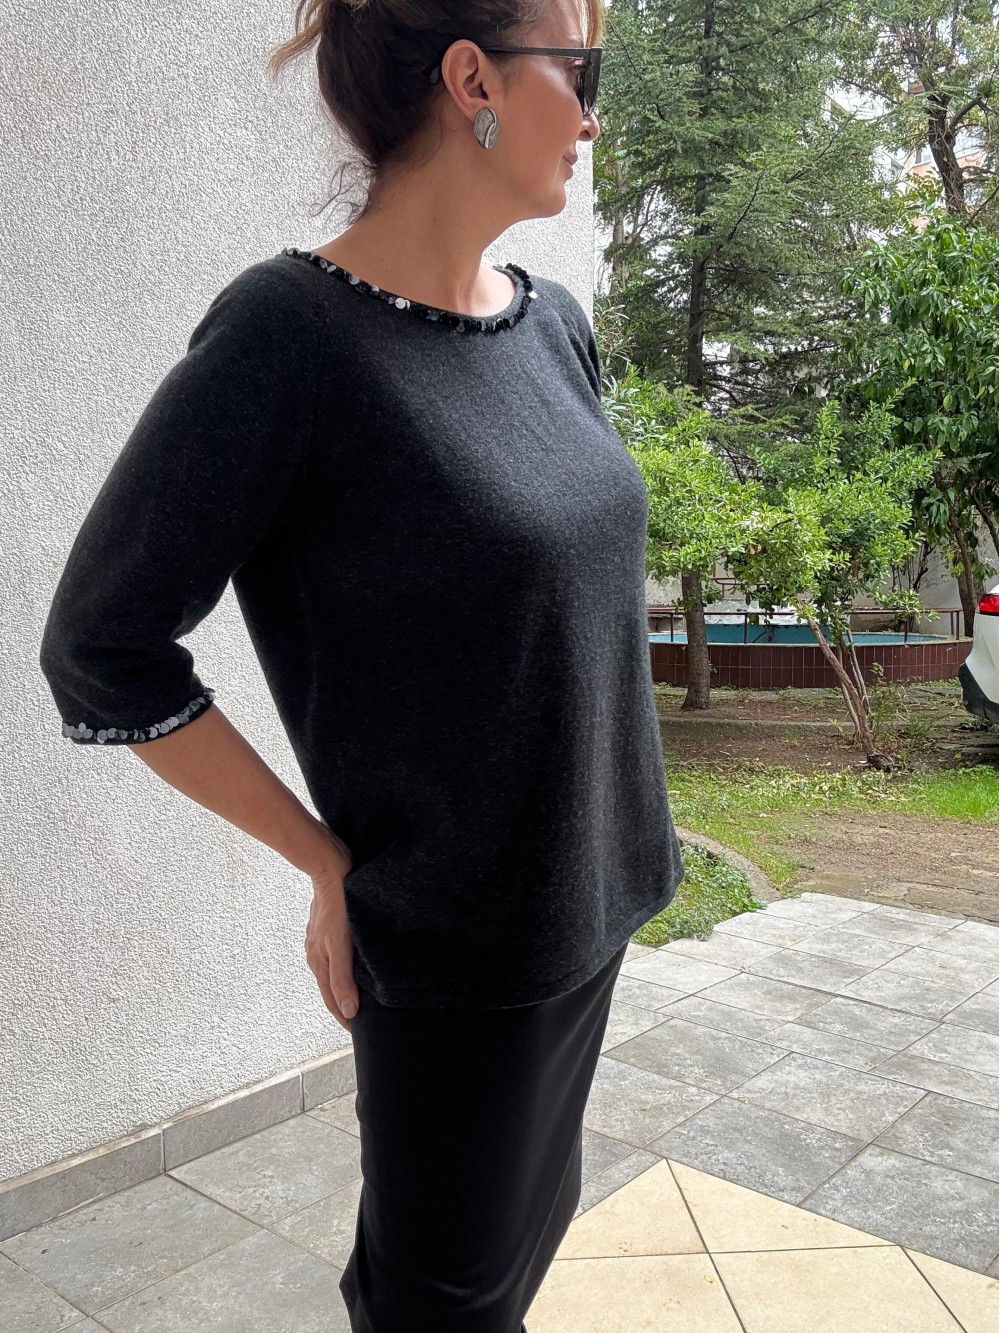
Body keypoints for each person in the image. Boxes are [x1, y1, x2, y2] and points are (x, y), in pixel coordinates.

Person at [38, 0, 685, 1327]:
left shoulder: (555, 323)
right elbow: (101, 645)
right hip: (453, 958)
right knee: (438, 1306)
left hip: (595, 905)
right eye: (582, 70)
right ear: (473, 80)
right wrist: (323, 859)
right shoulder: (291, 339)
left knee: (516, 1257)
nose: (595, 115)